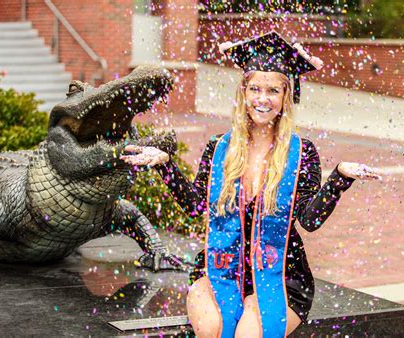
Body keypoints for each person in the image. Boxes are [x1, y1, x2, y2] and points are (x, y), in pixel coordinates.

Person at [120, 31, 381, 338]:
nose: (262, 99)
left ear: (286, 97)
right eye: (255, 88)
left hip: (281, 274)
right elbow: (196, 206)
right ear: (243, 93)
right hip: (220, 268)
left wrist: (340, 177)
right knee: (214, 328)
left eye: (273, 90)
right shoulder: (220, 149)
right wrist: (165, 165)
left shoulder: (300, 152)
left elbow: (309, 221)